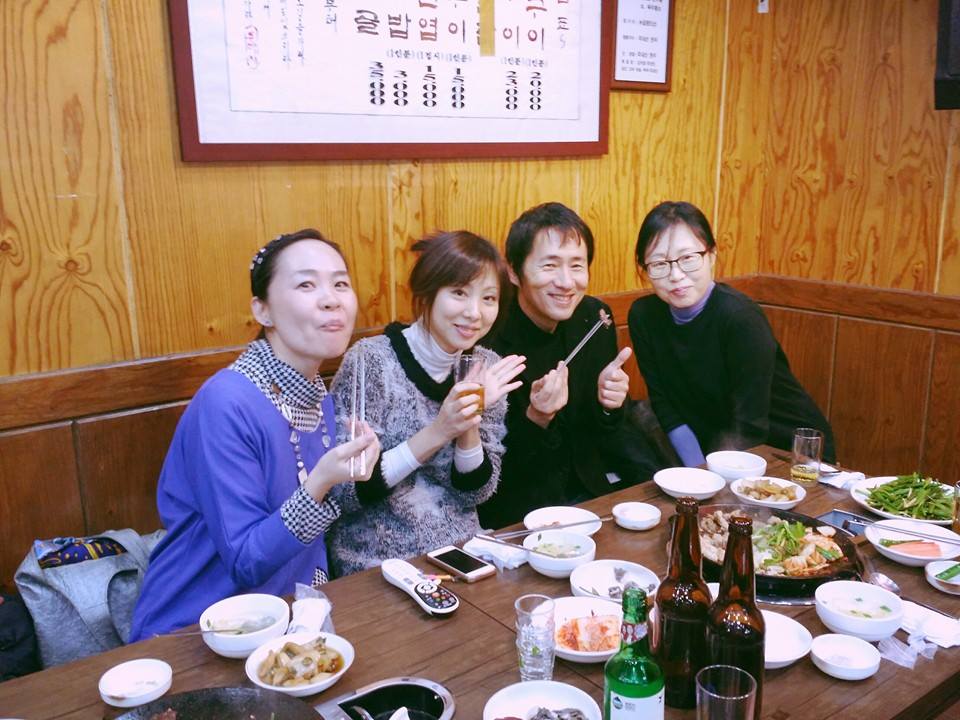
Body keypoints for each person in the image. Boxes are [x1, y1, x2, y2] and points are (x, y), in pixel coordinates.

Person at [129, 230, 380, 640]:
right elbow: (245, 560)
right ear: (262, 311)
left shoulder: (316, 395)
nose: (331, 299)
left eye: (340, 284)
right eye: (306, 284)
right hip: (198, 629)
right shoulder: (226, 402)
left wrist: (349, 476)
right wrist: (322, 480)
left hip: (289, 618)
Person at [327, 231, 525, 577]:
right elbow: (346, 491)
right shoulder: (370, 362)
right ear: (427, 292)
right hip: (375, 562)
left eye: (489, 298)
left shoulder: (487, 367)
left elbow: (476, 494)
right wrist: (440, 430)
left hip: (462, 552)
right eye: (459, 292)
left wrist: (469, 420)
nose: (474, 313)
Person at [478, 202, 660, 531]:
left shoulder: (594, 318)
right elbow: (487, 474)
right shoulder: (488, 338)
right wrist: (537, 418)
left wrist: (610, 405)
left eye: (577, 265)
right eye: (550, 265)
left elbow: (608, 431)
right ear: (514, 272)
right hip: (520, 512)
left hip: (593, 492)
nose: (566, 282)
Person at [628, 201, 835, 465]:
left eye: (688, 258)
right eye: (659, 263)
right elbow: (664, 406)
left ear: (711, 255)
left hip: (788, 451)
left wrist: (710, 475)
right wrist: (697, 471)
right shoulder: (644, 316)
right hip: (716, 451)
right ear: (645, 269)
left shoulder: (740, 317)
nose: (676, 275)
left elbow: (749, 426)